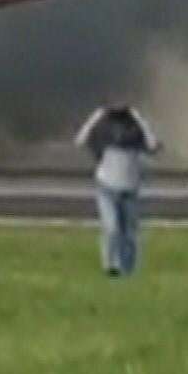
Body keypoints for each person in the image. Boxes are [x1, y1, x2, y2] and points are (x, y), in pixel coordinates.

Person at [74, 103, 161, 277]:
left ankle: (128, 269)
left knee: (129, 231)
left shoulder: (135, 132)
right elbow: (80, 140)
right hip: (107, 186)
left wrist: (138, 117)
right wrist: (97, 115)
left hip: (130, 188)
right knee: (112, 228)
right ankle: (111, 266)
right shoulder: (104, 130)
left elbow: (152, 144)